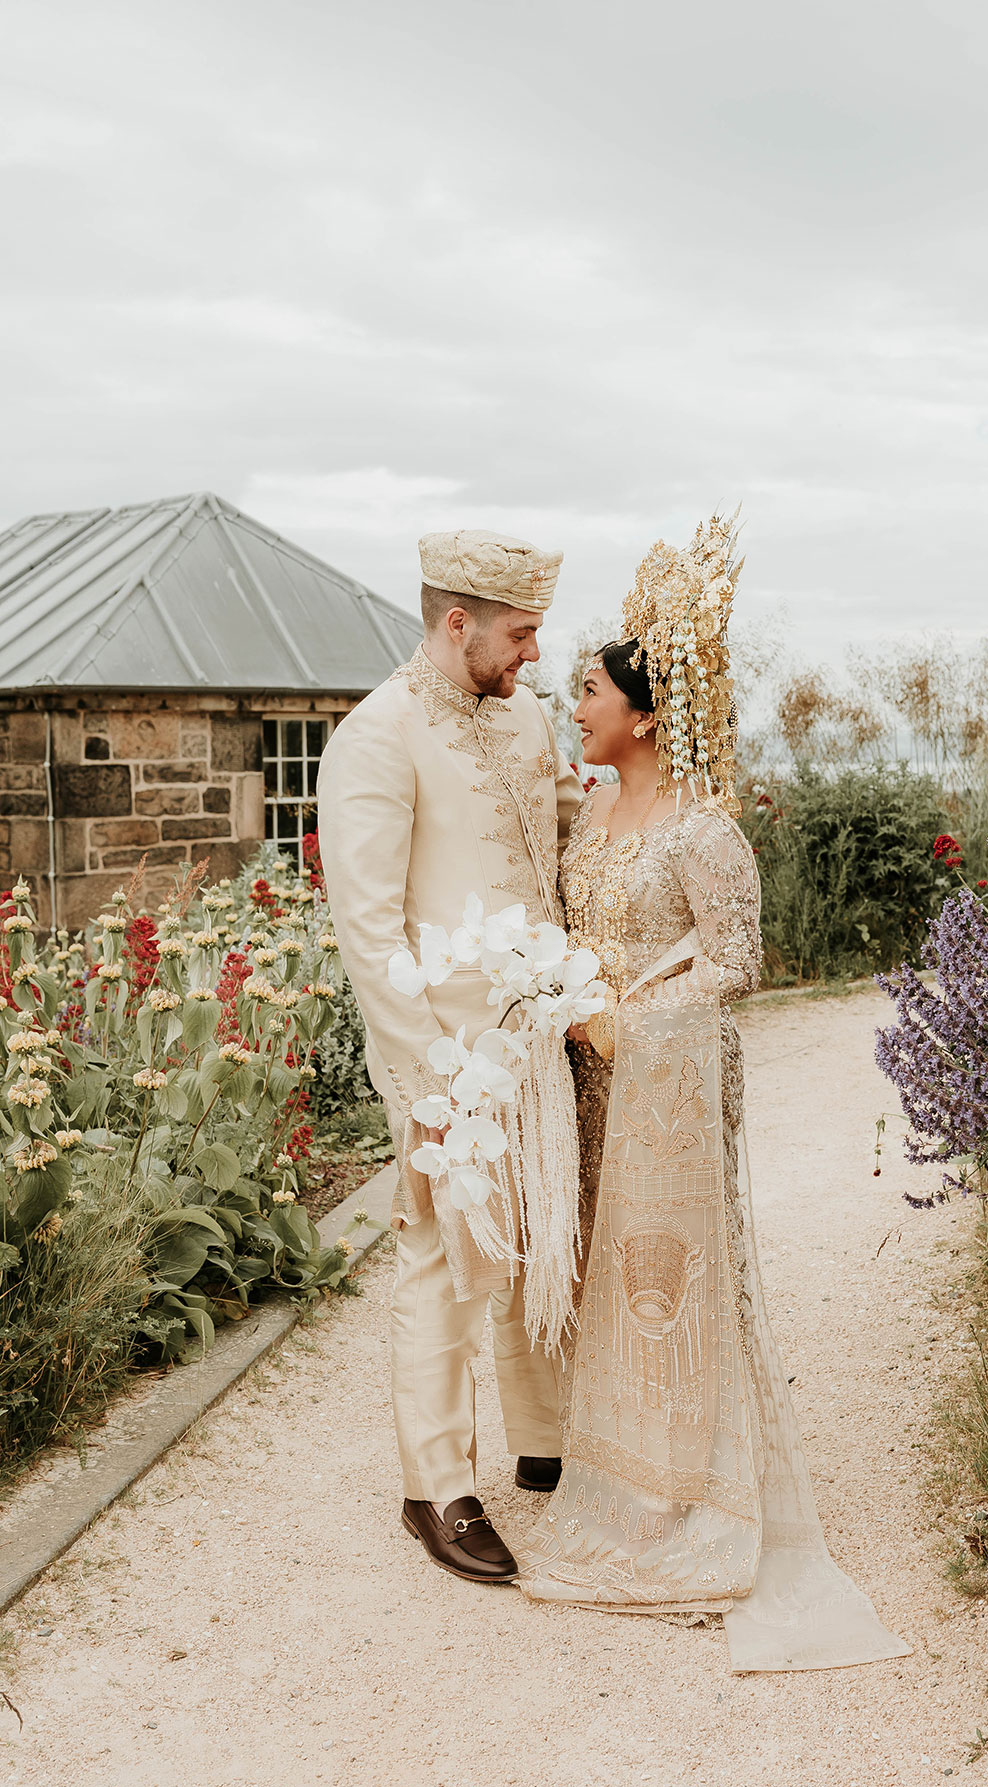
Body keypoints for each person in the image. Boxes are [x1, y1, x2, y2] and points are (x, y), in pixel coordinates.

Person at [515, 516, 912, 1671]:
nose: (573, 705)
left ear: (642, 713)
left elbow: (736, 963)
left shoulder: (703, 829)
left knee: (668, 1280)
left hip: (667, 1085)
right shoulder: (591, 811)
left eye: (586, 690)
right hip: (588, 1081)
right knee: (602, 1262)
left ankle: (683, 1499)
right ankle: (617, 1479)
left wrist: (630, 1020)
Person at [316, 528, 583, 1586]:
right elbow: (369, 930)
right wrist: (427, 1076)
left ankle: (544, 1435)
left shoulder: (525, 717)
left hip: (538, 1031)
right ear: (456, 621)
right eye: (519, 634)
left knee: (536, 1233)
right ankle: (435, 1489)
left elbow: (560, 836)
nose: (531, 655)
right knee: (442, 1259)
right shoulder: (375, 738)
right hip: (447, 1055)